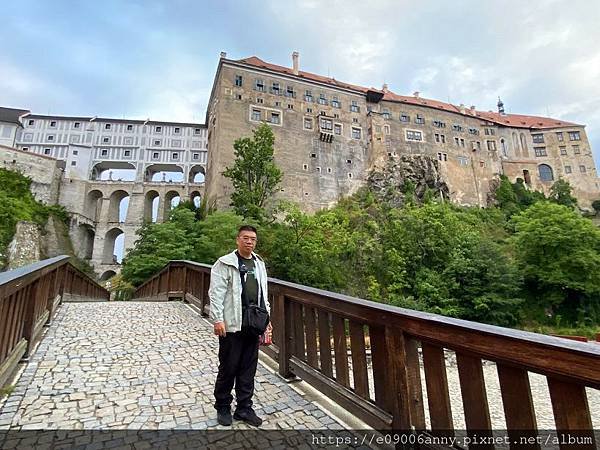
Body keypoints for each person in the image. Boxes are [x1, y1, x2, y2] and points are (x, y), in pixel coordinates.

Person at [209, 225, 271, 427]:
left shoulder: (258, 263)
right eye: (245, 238)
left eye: (253, 239)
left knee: (248, 369)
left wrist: (267, 320)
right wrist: (217, 319)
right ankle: (223, 406)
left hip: (253, 324)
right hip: (232, 324)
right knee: (228, 367)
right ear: (237, 239)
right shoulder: (225, 263)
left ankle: (244, 408)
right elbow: (216, 293)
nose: (249, 242)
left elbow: (264, 294)